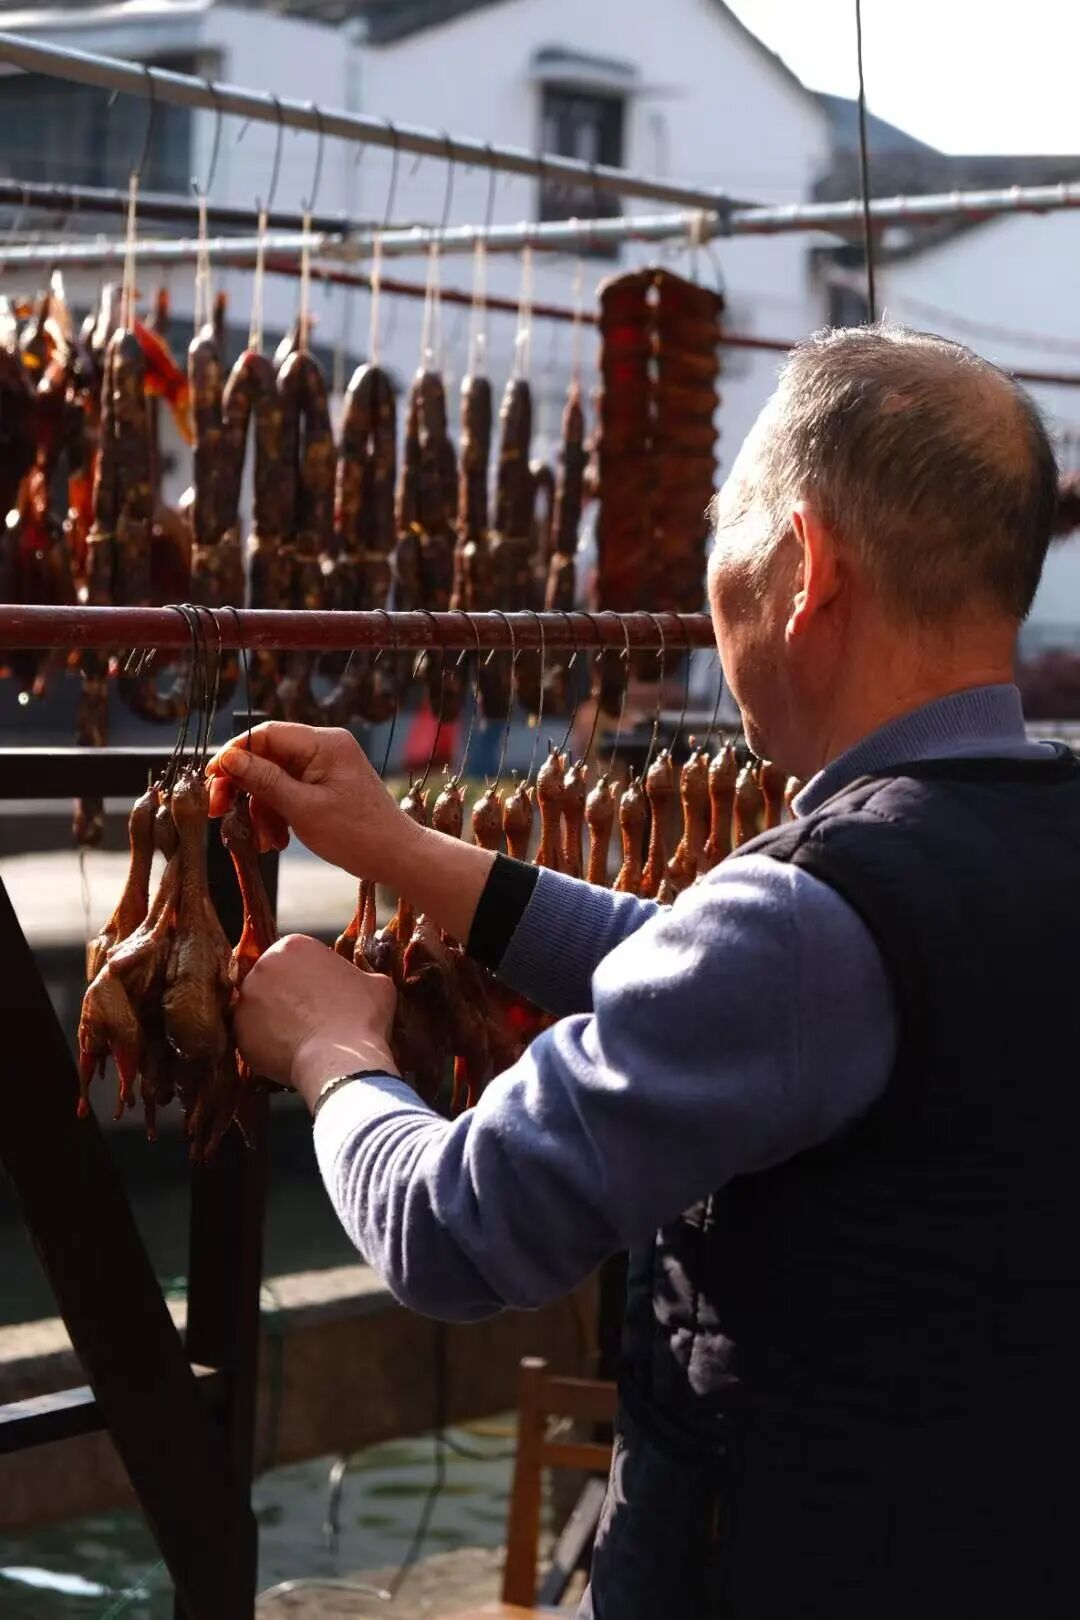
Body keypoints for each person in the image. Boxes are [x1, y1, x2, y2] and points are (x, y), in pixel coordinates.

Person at [209, 325, 1079, 1620]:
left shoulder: (808, 924)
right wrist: (410, 854)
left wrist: (331, 1050)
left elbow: (456, 1227)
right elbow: (736, 990)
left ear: (809, 567)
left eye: (727, 528)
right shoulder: (1019, 833)